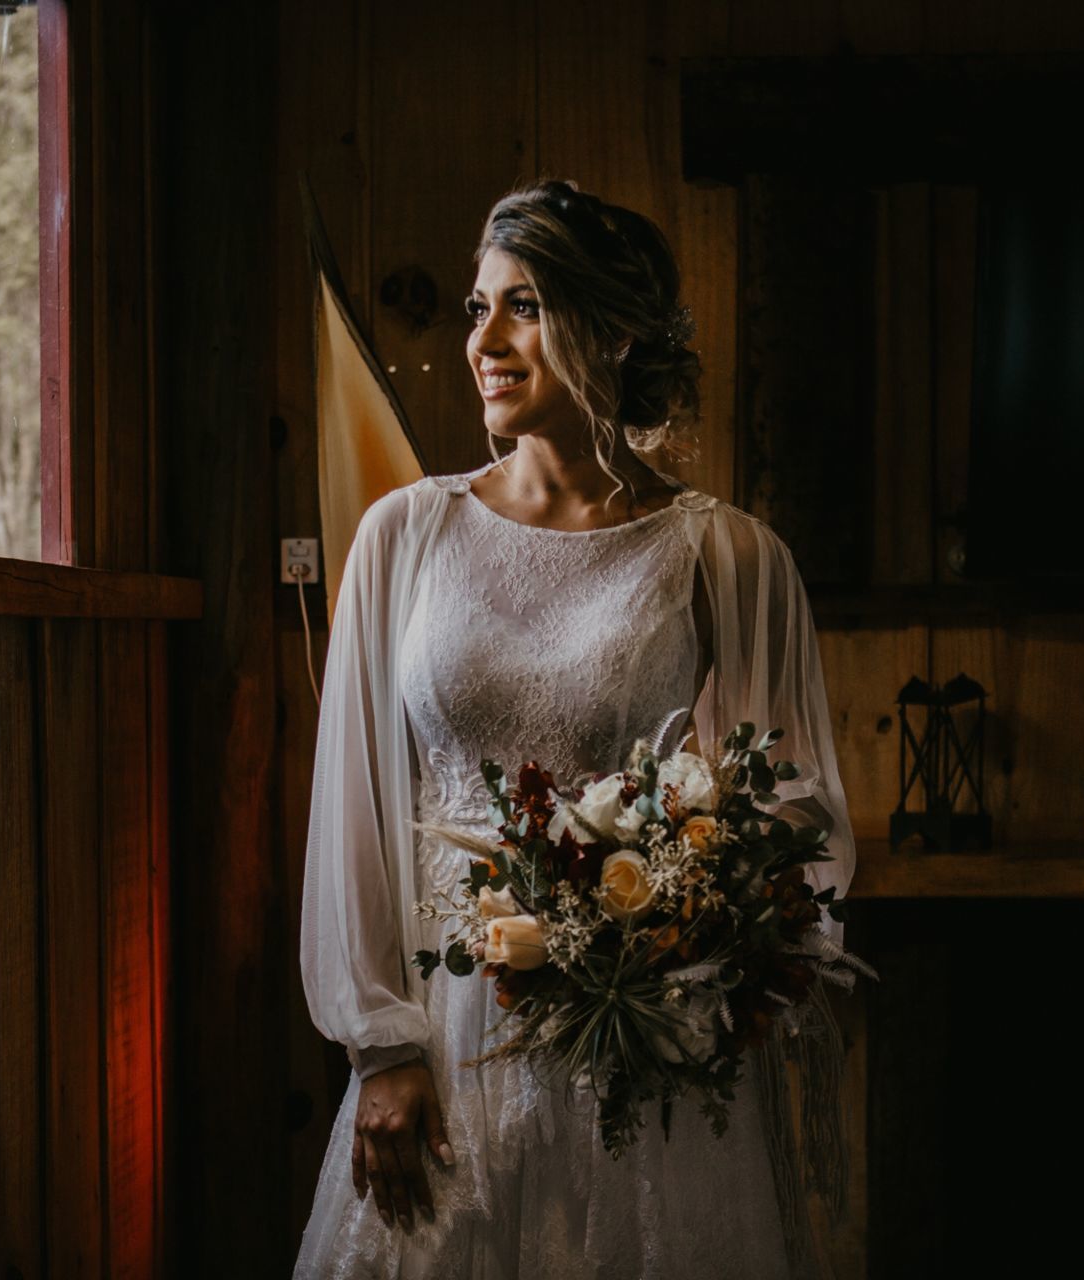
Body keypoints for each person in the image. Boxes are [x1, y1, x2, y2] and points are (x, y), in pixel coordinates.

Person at [294, 179, 858, 1279]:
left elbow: (798, 817)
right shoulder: (405, 535)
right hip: (446, 1030)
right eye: (476, 307)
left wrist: (699, 942)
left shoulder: (730, 557)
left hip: (640, 1041)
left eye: (525, 305)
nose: (485, 340)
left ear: (616, 329)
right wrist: (382, 1047)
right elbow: (355, 799)